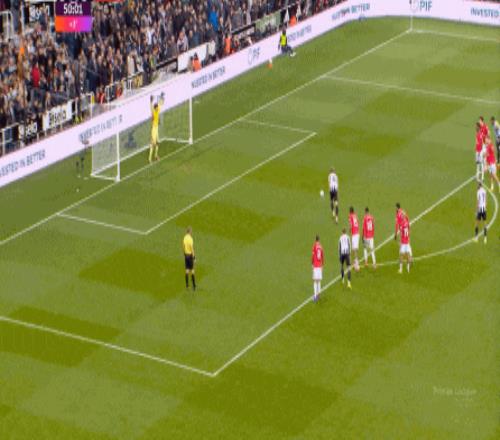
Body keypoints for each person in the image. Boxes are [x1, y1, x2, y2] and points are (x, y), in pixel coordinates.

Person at [149, 94, 162, 163]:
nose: (157, 108)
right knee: (153, 144)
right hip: (154, 129)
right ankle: (150, 159)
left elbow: (160, 103)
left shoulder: (158, 110)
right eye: (156, 108)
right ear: (155, 108)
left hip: (156, 129)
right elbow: (151, 107)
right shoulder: (153, 111)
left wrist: (161, 97)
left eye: (157, 108)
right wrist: (151, 101)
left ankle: (156, 156)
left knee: (157, 143)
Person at [311, 235, 324, 302]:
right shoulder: (321, 247)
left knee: (315, 281)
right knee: (319, 281)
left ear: (315, 239)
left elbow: (313, 256)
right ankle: (319, 295)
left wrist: (312, 263)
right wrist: (322, 265)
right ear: (319, 240)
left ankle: (315, 296)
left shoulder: (314, 246)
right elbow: (322, 256)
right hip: (320, 265)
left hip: (316, 266)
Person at [348, 206, 360, 271]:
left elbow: (350, 225)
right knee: (353, 249)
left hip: (354, 234)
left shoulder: (350, 216)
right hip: (357, 233)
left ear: (350, 211)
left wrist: (349, 230)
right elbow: (358, 222)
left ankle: (357, 265)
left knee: (354, 249)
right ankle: (354, 262)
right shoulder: (355, 215)